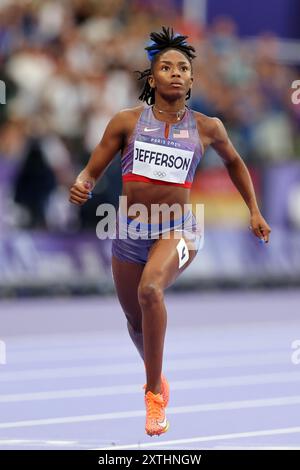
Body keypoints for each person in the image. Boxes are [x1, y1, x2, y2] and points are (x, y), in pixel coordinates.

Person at [69, 26, 271, 437]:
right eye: (166, 66)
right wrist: (83, 183)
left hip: (179, 229)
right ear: (152, 77)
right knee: (134, 321)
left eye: (183, 67)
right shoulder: (125, 122)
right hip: (127, 228)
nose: (176, 73)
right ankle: (158, 375)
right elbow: (92, 170)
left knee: (150, 292)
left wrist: (253, 210)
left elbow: (234, 163)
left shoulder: (207, 126)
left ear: (192, 79)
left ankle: (153, 396)